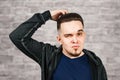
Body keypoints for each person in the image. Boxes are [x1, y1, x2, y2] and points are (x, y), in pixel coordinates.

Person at [9, 10, 107, 80]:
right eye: (68, 35)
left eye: (79, 34)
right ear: (59, 39)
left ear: (84, 35)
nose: (75, 40)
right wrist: (46, 16)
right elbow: (17, 36)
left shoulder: (95, 62)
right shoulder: (48, 55)